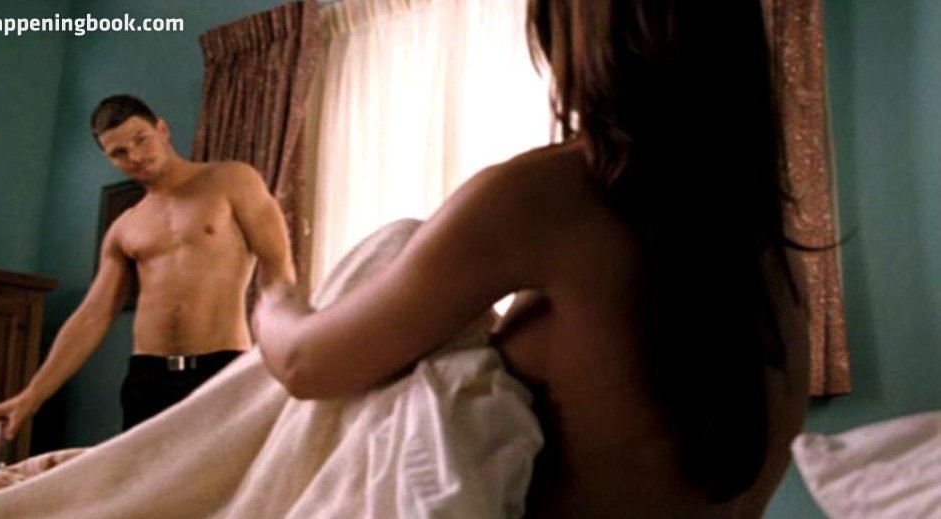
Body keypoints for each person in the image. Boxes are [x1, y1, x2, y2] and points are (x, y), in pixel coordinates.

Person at [254, 1, 810, 517]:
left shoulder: (546, 197)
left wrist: (275, 295)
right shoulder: (772, 257)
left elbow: (305, 363)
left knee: (396, 244)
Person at [0, 95, 297, 440]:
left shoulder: (232, 180)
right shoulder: (124, 226)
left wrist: (282, 352)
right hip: (147, 378)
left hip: (220, 367)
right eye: (120, 152)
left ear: (162, 128)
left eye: (141, 139)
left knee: (224, 475)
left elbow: (278, 269)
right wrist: (31, 397)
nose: (136, 156)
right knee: (143, 477)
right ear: (109, 159)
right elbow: (92, 316)